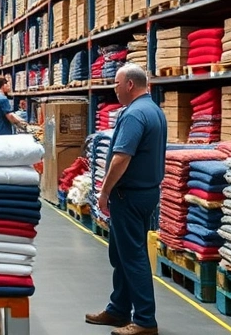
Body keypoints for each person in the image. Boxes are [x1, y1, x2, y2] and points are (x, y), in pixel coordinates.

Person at [86, 63, 165, 335]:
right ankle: (118, 309)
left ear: (130, 84)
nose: (115, 89)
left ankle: (144, 320)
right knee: (120, 254)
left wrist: (105, 191)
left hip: (129, 196)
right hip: (143, 194)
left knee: (132, 257)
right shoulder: (153, 110)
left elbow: (121, 158)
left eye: (117, 84)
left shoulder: (134, 115)